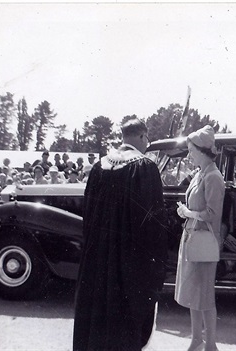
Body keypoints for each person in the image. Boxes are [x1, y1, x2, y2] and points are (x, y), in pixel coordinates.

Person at [73, 117, 168, 351]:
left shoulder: (99, 166)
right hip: (128, 261)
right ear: (143, 136)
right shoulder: (145, 167)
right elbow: (153, 224)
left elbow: (87, 216)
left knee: (98, 309)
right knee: (124, 318)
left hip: (98, 258)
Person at [175, 125, 225, 351]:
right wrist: (185, 211)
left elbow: (213, 215)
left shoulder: (213, 177)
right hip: (192, 236)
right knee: (193, 293)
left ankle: (211, 345)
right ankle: (197, 339)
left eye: (191, 150)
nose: (188, 155)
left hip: (204, 240)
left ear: (203, 151)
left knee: (204, 294)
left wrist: (189, 213)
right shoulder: (200, 174)